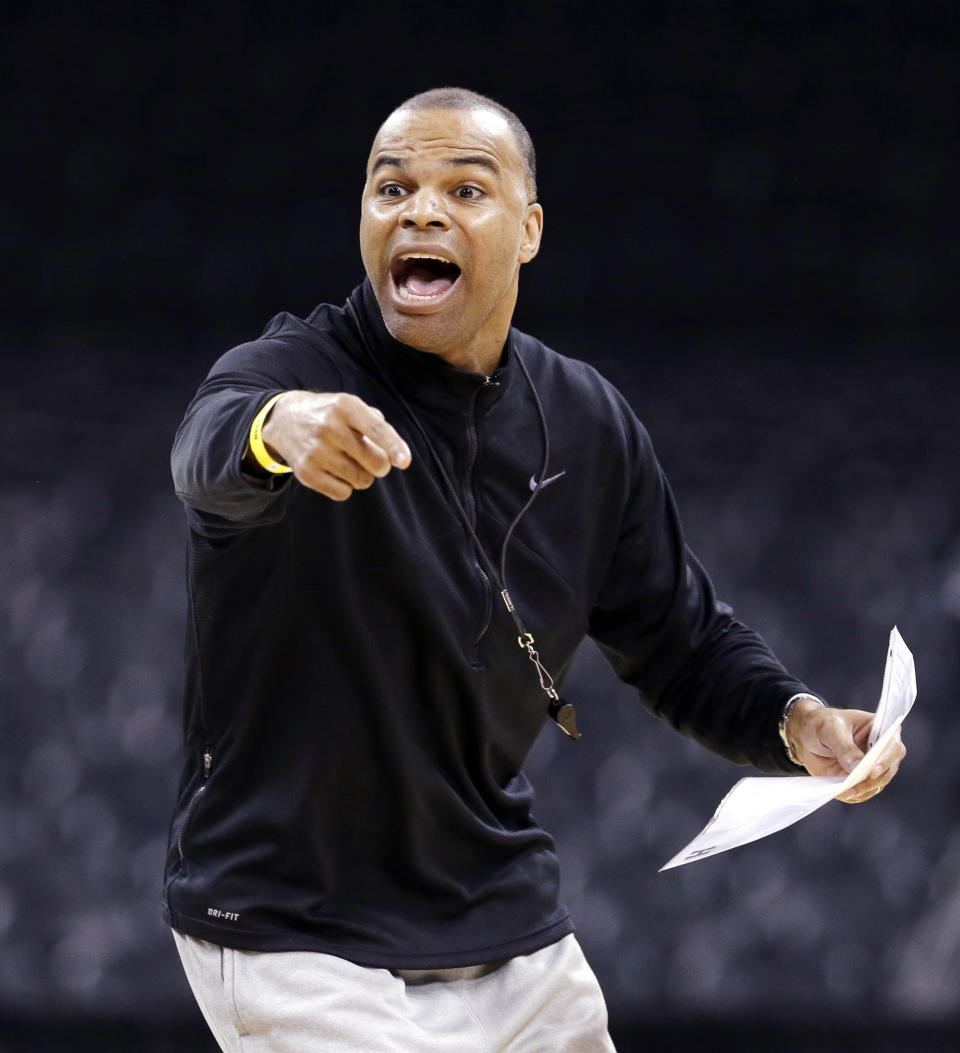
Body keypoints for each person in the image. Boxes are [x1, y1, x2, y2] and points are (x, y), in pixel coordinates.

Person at [163, 87, 906, 1052]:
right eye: (393, 188)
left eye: (464, 189)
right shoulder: (288, 372)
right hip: (293, 928)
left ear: (530, 230)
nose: (420, 210)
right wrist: (278, 430)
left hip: (502, 926)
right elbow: (204, 450)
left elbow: (678, 640)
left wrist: (795, 721)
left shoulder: (589, 421)